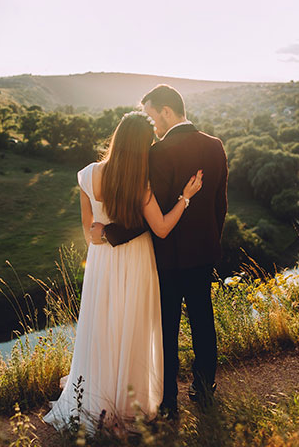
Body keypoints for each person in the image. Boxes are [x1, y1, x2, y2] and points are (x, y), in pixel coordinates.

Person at [43, 110, 203, 433]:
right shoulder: (141, 185)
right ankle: (128, 403)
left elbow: (91, 234)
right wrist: (185, 199)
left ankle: (95, 401)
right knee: (132, 328)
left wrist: (104, 231)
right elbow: (160, 229)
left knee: (102, 327)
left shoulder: (87, 176)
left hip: (102, 264)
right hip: (136, 262)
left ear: (117, 136)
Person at [91, 84, 228, 419]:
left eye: (153, 116)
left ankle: (168, 400)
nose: (152, 125)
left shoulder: (158, 153)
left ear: (167, 111)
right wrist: (211, 243)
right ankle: (204, 389)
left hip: (166, 258)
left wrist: (110, 234)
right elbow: (220, 205)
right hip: (202, 255)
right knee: (203, 321)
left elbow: (148, 216)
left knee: (165, 329)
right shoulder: (214, 146)